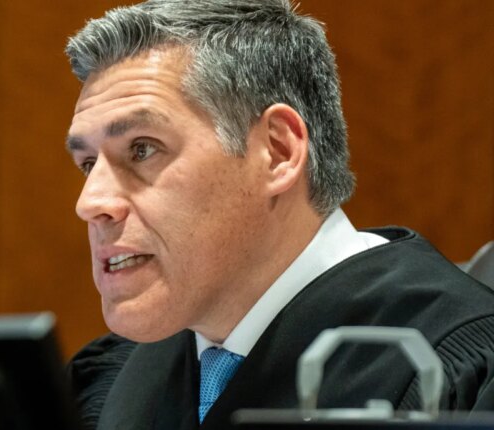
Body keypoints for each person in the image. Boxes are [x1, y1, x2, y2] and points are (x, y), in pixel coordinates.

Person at [63, 1, 494, 429]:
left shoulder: (460, 368)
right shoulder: (116, 379)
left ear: (278, 152)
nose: (90, 202)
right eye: (87, 164)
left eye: (142, 149)